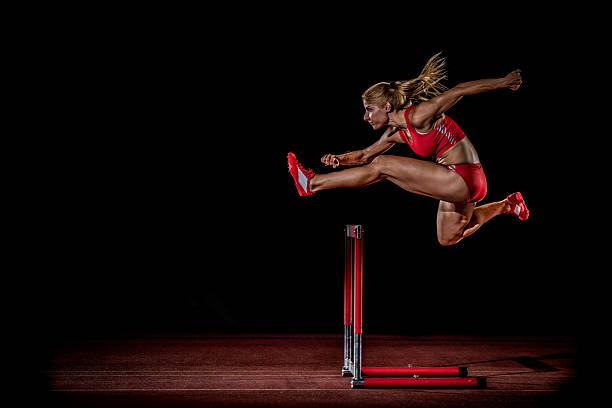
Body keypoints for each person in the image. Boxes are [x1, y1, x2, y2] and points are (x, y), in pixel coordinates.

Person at [288, 53, 528, 246]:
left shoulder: (420, 115)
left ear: (387, 106)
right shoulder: (395, 133)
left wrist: (503, 82)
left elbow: (459, 90)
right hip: (460, 183)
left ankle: (312, 184)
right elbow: (364, 156)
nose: (365, 117)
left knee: (383, 166)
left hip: (463, 177)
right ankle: (507, 205)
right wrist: (338, 159)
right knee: (448, 237)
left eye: (370, 109)